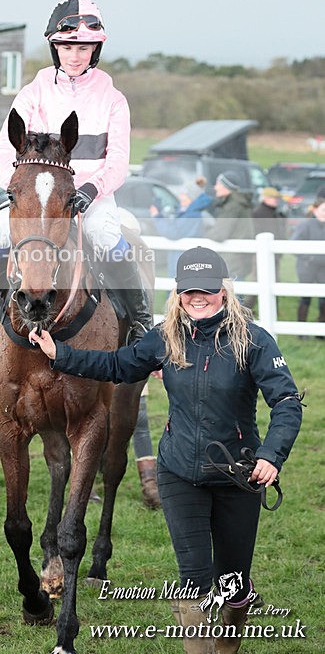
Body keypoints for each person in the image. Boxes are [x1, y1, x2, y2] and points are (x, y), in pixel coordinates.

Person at [29, 246, 302, 653]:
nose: (197, 297)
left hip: (238, 476)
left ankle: (228, 642)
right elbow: (118, 366)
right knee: (194, 582)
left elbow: (287, 401)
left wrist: (270, 455)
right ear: (178, 292)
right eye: (189, 290)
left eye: (206, 289)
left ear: (223, 290)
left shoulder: (254, 340)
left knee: (233, 584)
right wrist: (60, 354)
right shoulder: (165, 336)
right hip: (179, 473)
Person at [0, 0, 151, 359]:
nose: (75, 56)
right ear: (55, 48)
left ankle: (141, 321)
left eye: (83, 48)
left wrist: (90, 190)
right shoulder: (32, 94)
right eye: (67, 47)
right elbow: (4, 153)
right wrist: (18, 191)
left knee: (105, 235)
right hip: (35, 198)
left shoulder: (113, 99)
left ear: (95, 50)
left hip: (90, 197)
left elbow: (118, 162)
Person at [150, 177, 213, 278]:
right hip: (180, 259)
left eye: (183, 194)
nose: (180, 197)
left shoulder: (191, 215)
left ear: (191, 197)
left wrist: (157, 217)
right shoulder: (186, 212)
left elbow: (173, 233)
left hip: (184, 261)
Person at [244, 187, 287, 311]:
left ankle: (272, 311)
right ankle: (245, 311)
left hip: (274, 254)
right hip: (261, 255)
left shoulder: (275, 213)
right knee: (257, 283)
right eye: (273, 198)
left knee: (273, 282)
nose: (276, 200)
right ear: (266, 198)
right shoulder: (258, 213)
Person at [208, 171, 254, 281]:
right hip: (238, 260)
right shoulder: (239, 203)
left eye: (218, 184)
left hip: (231, 261)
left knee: (231, 291)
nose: (215, 187)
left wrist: (205, 233)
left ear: (226, 186)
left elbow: (219, 234)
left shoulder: (232, 206)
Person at [291, 196, 325, 332]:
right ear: (315, 210)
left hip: (323, 267)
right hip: (307, 267)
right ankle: (302, 330)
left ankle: (321, 329)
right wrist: (309, 258)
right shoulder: (305, 225)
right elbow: (294, 245)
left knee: (323, 298)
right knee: (305, 297)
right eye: (323, 210)